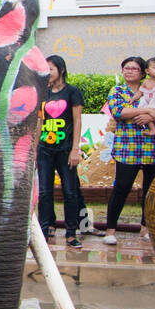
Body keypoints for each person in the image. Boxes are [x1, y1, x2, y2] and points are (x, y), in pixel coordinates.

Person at [103, 56, 155, 245]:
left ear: (143, 72)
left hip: (154, 148)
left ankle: (146, 228)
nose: (128, 71)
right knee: (121, 187)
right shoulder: (117, 90)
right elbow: (119, 112)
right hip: (128, 147)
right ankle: (110, 230)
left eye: (133, 68)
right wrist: (148, 112)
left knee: (150, 190)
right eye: (125, 68)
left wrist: (153, 115)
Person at [36, 55, 86, 248]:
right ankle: (45, 230)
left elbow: (78, 120)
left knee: (70, 191)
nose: (47, 73)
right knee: (45, 192)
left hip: (65, 150)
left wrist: (75, 149)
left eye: (50, 69)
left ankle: (71, 233)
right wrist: (35, 150)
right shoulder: (43, 93)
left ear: (61, 70)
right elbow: (40, 122)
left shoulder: (72, 92)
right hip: (45, 149)